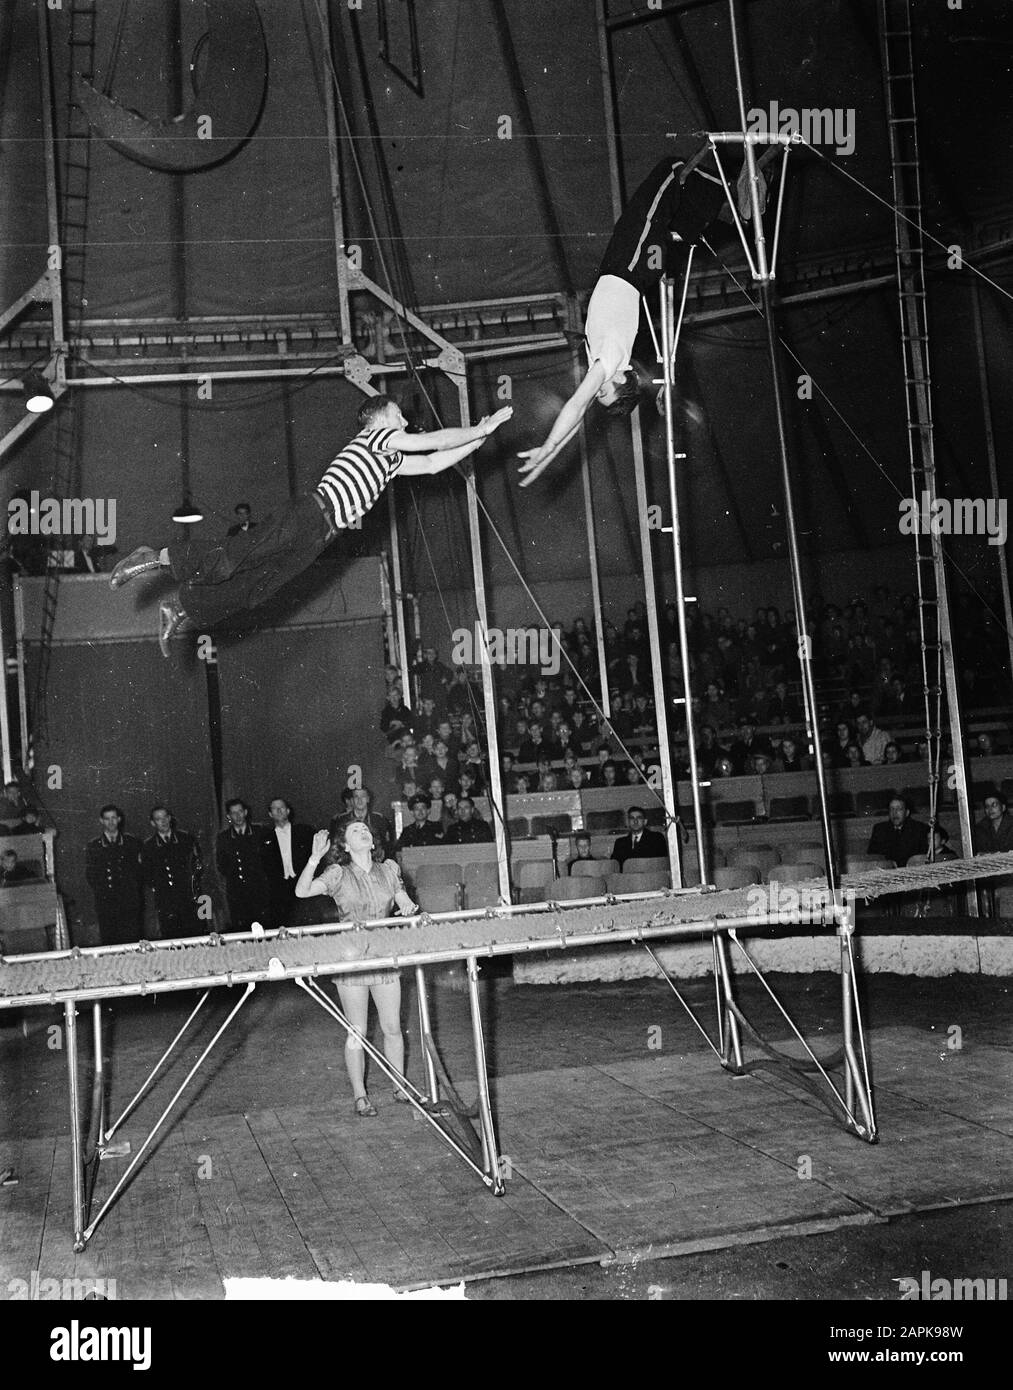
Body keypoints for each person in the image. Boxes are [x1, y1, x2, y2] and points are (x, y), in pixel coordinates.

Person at [110, 399, 512, 654]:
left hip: (320, 536)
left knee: (258, 588)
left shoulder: (390, 460)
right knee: (233, 558)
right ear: (377, 419)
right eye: (398, 414)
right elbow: (432, 443)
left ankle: (181, 605)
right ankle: (154, 557)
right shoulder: (376, 438)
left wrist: (479, 439)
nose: (405, 420)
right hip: (308, 514)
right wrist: (479, 429)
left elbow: (433, 461)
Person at [518, 143, 775, 486]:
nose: (596, 390)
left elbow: (578, 416)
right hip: (632, 266)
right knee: (668, 173)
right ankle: (730, 197)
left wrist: (551, 451)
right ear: (622, 381)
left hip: (628, 267)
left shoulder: (604, 359)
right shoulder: (611, 360)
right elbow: (576, 407)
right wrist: (548, 444)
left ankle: (729, 211)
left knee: (673, 221)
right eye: (604, 392)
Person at [295, 822, 418, 1117]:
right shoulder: (339, 873)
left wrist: (409, 908)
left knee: (391, 1027)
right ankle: (360, 1095)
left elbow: (404, 901)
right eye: (355, 831)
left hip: (383, 953)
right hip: (350, 957)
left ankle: (400, 1086)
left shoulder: (389, 869)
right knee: (357, 1031)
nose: (363, 832)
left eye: (366, 829)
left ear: (372, 841)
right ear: (346, 846)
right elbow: (302, 892)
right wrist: (314, 858)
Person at [140, 806, 203, 938]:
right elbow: (146, 874)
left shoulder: (185, 839)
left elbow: (197, 866)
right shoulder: (148, 846)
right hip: (166, 901)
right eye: (158, 819)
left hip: (188, 897)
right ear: (153, 823)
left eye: (165, 817)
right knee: (171, 936)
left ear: (170, 818)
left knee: (195, 934)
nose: (162, 821)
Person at [85, 805, 144, 944]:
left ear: (119, 819)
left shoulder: (131, 842)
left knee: (132, 939)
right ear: (101, 821)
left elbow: (139, 871)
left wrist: (133, 890)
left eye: (113, 818)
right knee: (110, 940)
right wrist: (103, 891)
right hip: (106, 902)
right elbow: (91, 875)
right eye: (107, 819)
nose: (111, 822)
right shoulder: (94, 846)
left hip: (129, 901)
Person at [216, 799, 271, 931]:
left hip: (259, 888)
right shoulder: (224, 838)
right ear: (228, 816)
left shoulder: (260, 832)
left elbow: (269, 860)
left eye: (240, 811)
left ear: (245, 812)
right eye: (233, 813)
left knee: (264, 925)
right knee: (241, 926)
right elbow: (221, 864)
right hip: (236, 890)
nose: (238, 816)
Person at [260, 798, 314, 928]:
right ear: (270, 814)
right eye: (274, 808)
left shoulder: (305, 832)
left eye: (282, 807)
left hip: (302, 884)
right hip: (278, 890)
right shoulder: (264, 838)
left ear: (288, 811)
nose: (278, 811)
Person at [329, 787, 392, 861]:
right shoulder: (341, 820)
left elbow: (385, 846)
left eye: (363, 796)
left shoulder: (379, 820)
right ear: (352, 800)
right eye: (356, 797)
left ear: (368, 799)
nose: (360, 800)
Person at [867, 796, 930, 867]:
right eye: (892, 809)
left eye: (899, 809)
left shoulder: (919, 829)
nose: (895, 813)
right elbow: (872, 856)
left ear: (907, 813)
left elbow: (922, 856)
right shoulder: (880, 829)